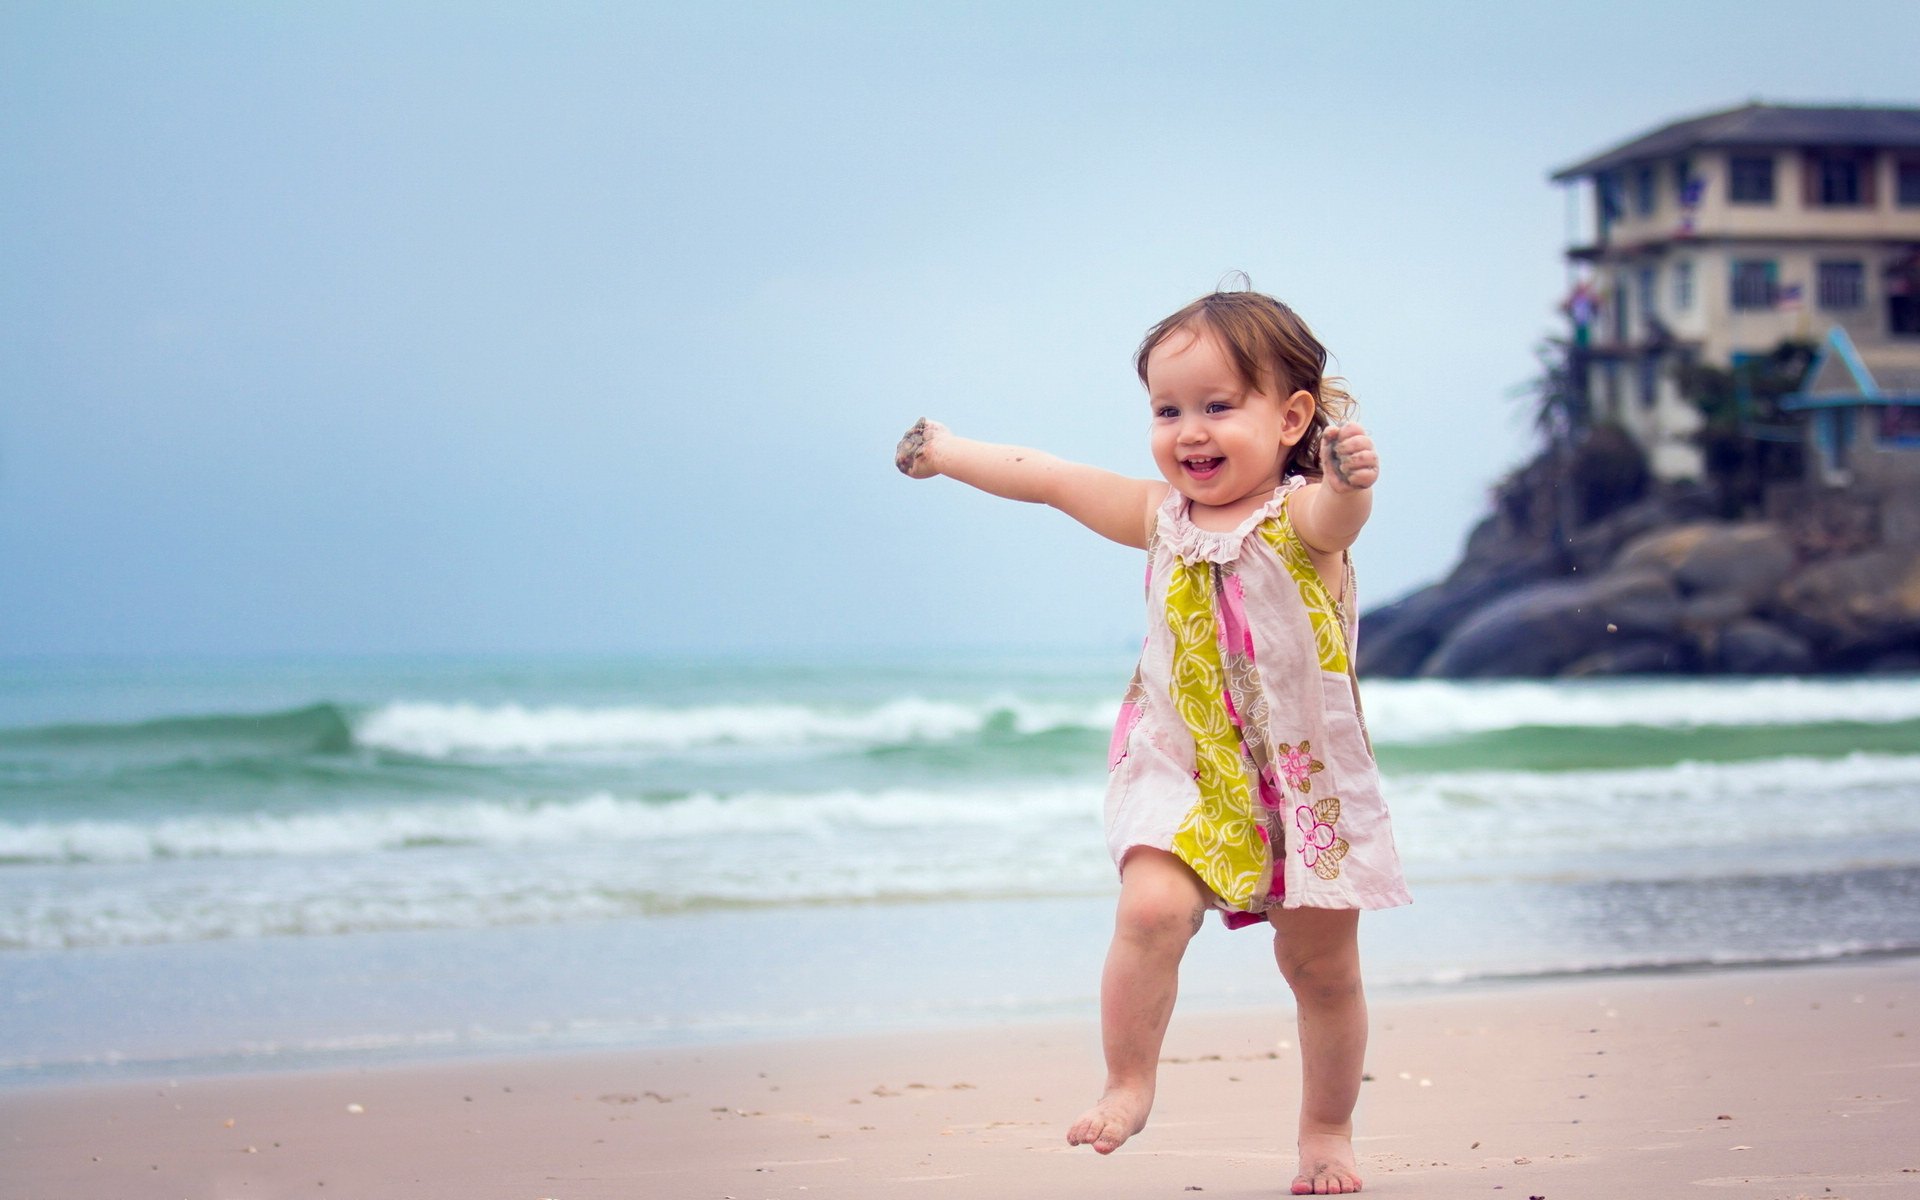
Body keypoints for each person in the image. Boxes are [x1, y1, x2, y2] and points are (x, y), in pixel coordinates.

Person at [893, 287, 1410, 1195]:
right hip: (1185, 769)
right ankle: (1127, 1083)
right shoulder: (1158, 518)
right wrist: (946, 450)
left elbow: (1340, 521)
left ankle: (1326, 1131)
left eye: (1218, 406)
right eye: (1167, 411)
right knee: (1147, 912)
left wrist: (1350, 484)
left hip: (1303, 787)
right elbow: (1049, 478)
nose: (1189, 432)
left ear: (1292, 419)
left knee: (1321, 971)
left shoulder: (1300, 521)